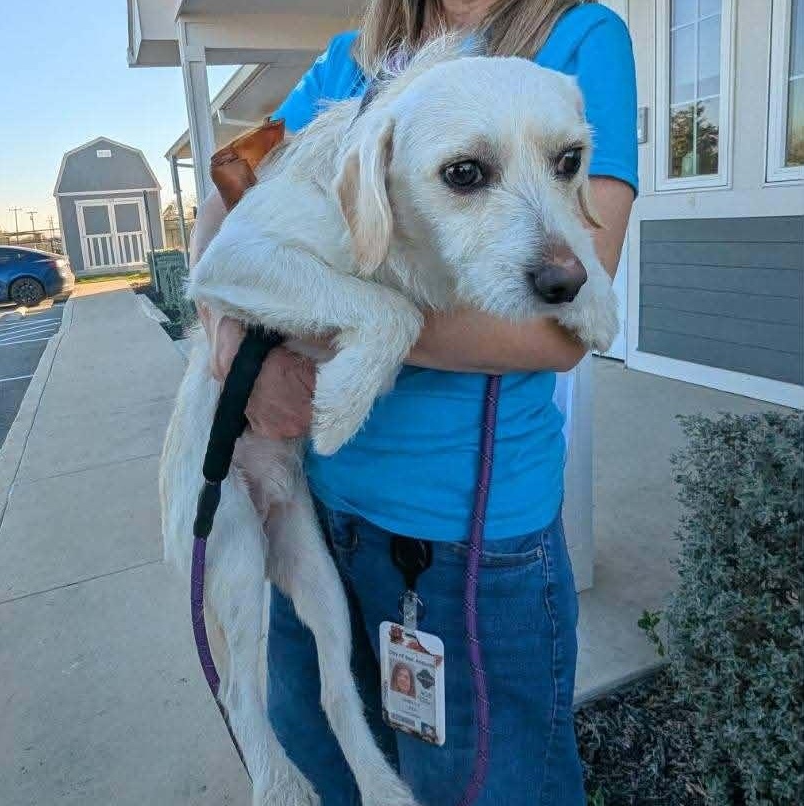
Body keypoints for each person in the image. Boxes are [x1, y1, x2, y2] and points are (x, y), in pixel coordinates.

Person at [192, 1, 637, 803]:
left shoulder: (577, 36)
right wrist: (232, 341)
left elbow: (561, 317)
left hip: (467, 541)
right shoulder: (349, 62)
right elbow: (229, 200)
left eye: (565, 163)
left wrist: (337, 322)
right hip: (313, 501)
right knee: (324, 767)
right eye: (467, 174)